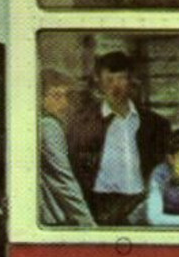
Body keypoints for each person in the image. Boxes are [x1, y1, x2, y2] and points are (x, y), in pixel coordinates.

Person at [68, 50, 172, 226]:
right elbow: (73, 169)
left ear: (131, 81)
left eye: (121, 79)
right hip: (97, 206)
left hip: (140, 206)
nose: (115, 86)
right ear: (99, 82)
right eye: (109, 80)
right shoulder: (82, 123)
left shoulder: (156, 124)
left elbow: (165, 169)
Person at [37, 68, 95, 227]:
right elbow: (63, 179)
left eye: (66, 96)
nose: (64, 103)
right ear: (40, 98)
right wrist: (89, 226)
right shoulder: (48, 126)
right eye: (56, 96)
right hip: (52, 219)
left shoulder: (43, 124)